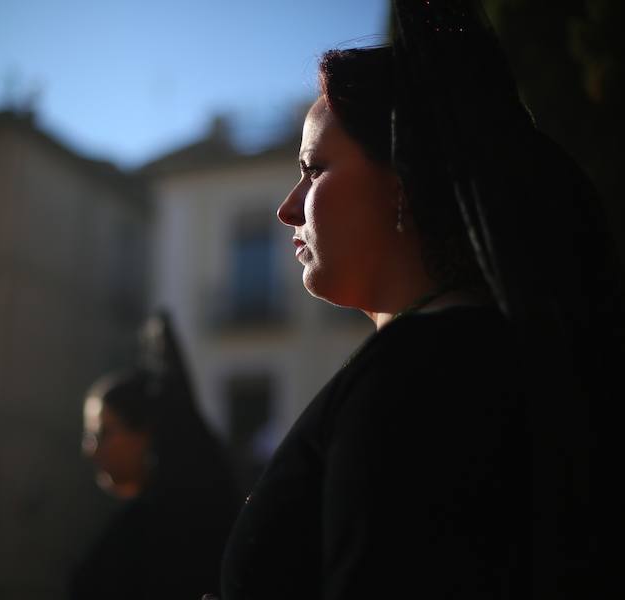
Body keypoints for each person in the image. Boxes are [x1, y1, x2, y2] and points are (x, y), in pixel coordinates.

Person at [219, 1, 624, 599]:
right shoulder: (452, 357)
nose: (288, 208)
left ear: (402, 180)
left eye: (314, 168)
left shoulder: (429, 374)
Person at [71, 313, 240, 600]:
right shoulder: (137, 525)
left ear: (146, 434)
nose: (91, 449)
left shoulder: (170, 533)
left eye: (104, 433)